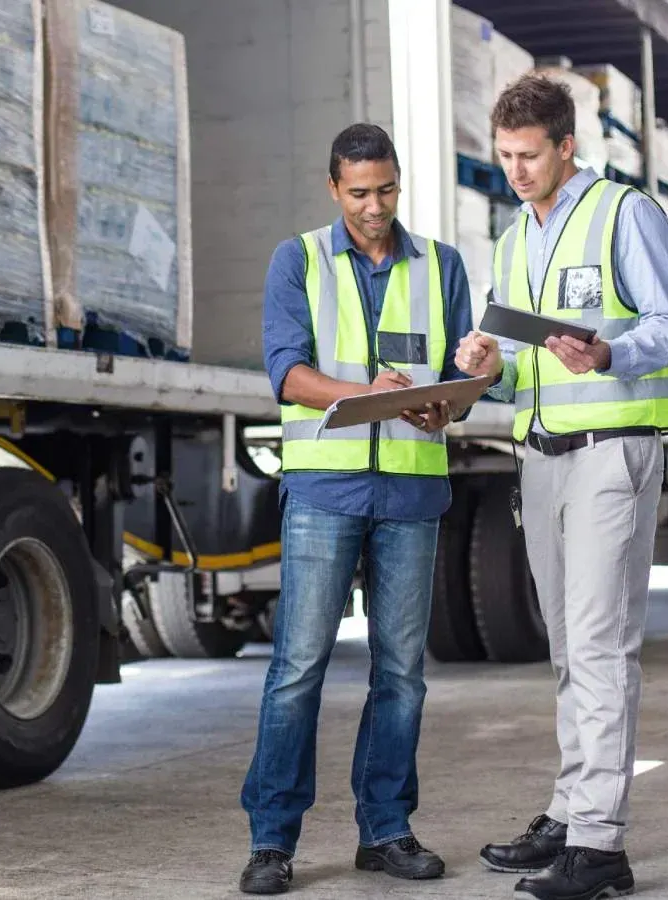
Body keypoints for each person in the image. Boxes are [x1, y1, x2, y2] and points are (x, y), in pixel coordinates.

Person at [454, 73, 668, 900]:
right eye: (505, 156)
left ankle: (599, 844)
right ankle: (568, 808)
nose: (515, 170)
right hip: (543, 456)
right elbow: (520, 361)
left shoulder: (625, 214)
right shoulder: (514, 238)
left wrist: (610, 353)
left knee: (598, 644)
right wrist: (486, 364)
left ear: (566, 147)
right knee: (568, 648)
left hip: (612, 450)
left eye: (529, 155)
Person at [238, 122, 475, 895]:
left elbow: (452, 380)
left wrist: (446, 406)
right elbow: (287, 374)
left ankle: (386, 831)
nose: (376, 207)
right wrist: (363, 396)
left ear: (400, 182)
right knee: (297, 670)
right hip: (324, 491)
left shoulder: (441, 265)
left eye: (388, 190)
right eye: (361, 193)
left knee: (402, 673)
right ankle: (272, 842)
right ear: (334, 187)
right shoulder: (298, 259)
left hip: (411, 492)